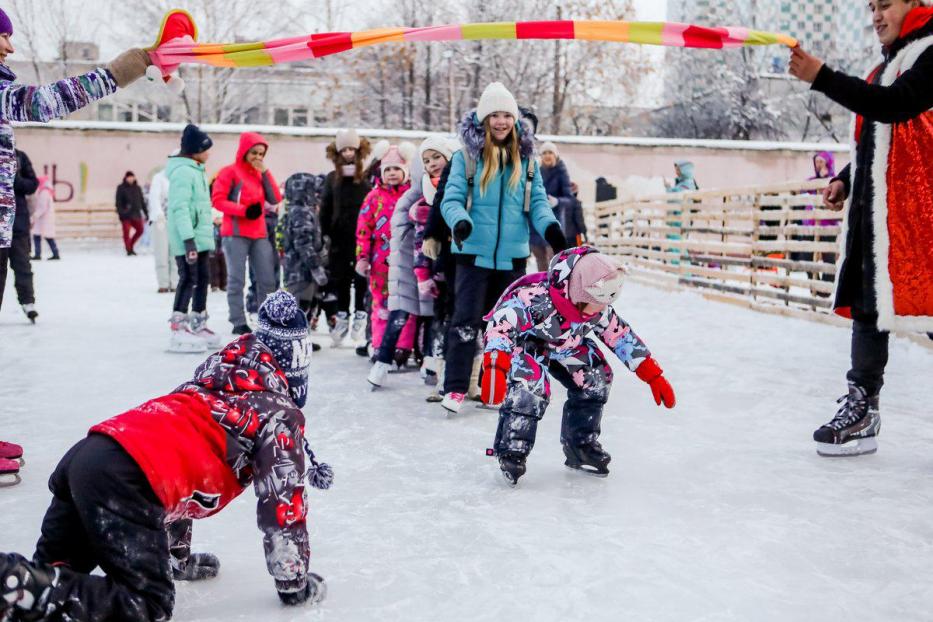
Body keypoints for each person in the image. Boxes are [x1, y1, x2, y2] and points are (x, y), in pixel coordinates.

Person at [0, 292, 328, 621]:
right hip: (125, 480)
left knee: (41, 587)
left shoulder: (204, 386)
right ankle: (17, 581)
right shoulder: (279, 417)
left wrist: (176, 560)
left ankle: (19, 583)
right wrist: (293, 583)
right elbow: (283, 502)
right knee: (147, 605)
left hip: (90, 456)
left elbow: (177, 478)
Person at [788, 0, 933, 456]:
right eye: (871, 6)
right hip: (880, 217)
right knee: (869, 308)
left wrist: (822, 76)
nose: (875, 15)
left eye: (885, 3)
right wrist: (844, 180)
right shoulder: (883, 69)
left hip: (922, 221)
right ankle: (862, 405)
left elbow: (896, 107)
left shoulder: (931, 54)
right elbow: (877, 138)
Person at [481, 247, 676, 485]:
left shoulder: (598, 308)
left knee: (596, 377)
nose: (605, 307)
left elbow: (621, 335)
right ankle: (512, 448)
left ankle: (580, 445)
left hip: (568, 345)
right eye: (601, 301)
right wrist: (496, 367)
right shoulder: (535, 300)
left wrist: (653, 375)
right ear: (580, 295)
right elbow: (500, 325)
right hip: (528, 343)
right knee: (530, 388)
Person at [439, 81, 567, 414]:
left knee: (506, 327)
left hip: (512, 258)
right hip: (471, 253)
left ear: (514, 120)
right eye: (493, 115)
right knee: (465, 322)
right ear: (483, 119)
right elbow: (450, 199)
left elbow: (537, 202)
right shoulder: (465, 157)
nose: (500, 122)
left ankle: (494, 386)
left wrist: (552, 229)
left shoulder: (526, 161)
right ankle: (454, 388)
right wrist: (460, 221)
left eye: (505, 115)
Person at [368, 136, 453, 388]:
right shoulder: (415, 194)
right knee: (399, 315)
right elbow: (401, 228)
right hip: (410, 265)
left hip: (434, 266)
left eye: (437, 158)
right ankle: (382, 363)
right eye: (427, 160)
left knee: (431, 318)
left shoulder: (452, 188)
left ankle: (429, 364)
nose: (433, 164)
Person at [211, 132, 282, 335]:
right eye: (254, 153)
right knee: (236, 279)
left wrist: (266, 172)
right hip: (235, 233)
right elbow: (217, 200)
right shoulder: (229, 172)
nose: (258, 157)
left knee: (267, 278)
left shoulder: (260, 174)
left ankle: (267, 319)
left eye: (261, 154)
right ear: (244, 152)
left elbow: (275, 198)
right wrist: (243, 210)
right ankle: (238, 320)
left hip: (258, 233)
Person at [355, 142, 416, 361]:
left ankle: (402, 346)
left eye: (396, 169)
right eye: (387, 169)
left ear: (405, 172)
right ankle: (379, 344)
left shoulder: (411, 195)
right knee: (380, 305)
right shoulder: (373, 198)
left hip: (406, 260)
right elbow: (363, 229)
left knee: (405, 303)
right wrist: (362, 257)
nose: (391, 174)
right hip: (379, 263)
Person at [167, 124, 218, 353]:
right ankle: (178, 327)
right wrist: (188, 240)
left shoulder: (197, 170)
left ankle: (198, 323)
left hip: (201, 237)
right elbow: (180, 209)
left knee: (202, 279)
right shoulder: (183, 173)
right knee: (188, 278)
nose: (209, 153)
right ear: (195, 150)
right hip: (188, 239)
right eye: (206, 148)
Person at [319, 129, 373, 347]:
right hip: (339, 237)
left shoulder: (366, 177)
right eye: (345, 149)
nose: (349, 153)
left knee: (361, 278)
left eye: (352, 149)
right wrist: (325, 233)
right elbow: (325, 207)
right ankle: (342, 317)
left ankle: (360, 315)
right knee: (340, 279)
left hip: (361, 237)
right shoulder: (332, 179)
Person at [281, 172, 328, 352]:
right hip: (300, 269)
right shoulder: (301, 212)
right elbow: (302, 242)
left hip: (301, 269)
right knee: (299, 304)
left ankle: (300, 339)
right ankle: (291, 342)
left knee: (306, 304)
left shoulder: (301, 210)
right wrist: (316, 266)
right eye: (313, 191)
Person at [2, 149, 38, 322]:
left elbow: (33, 184)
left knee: (23, 265)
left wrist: (15, 180)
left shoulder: (20, 156)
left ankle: (28, 302)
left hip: (18, 224)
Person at [539, 142, 586, 247]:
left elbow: (578, 218)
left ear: (555, 155)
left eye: (550, 152)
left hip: (565, 229)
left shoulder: (562, 173)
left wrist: (583, 233)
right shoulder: (536, 173)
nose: (547, 155)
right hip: (540, 224)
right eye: (544, 153)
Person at [148, 154, 177, 293]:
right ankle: (163, 283)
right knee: (162, 252)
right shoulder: (159, 177)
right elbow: (154, 197)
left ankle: (175, 282)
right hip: (161, 221)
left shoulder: (180, 178)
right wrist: (159, 215)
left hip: (176, 220)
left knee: (175, 253)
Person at [115, 171, 148, 256]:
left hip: (136, 214)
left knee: (140, 230)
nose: (131, 179)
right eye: (129, 177)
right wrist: (121, 213)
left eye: (132, 177)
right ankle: (129, 249)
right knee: (126, 232)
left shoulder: (137, 188)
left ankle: (131, 245)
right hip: (126, 215)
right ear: (126, 178)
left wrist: (146, 213)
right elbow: (118, 202)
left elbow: (142, 202)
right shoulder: (121, 187)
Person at [30, 175, 60, 261]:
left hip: (44, 218)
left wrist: (35, 216)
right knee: (40, 235)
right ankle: (51, 253)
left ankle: (52, 254)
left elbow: (42, 207)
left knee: (45, 236)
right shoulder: (45, 191)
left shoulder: (44, 192)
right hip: (43, 218)